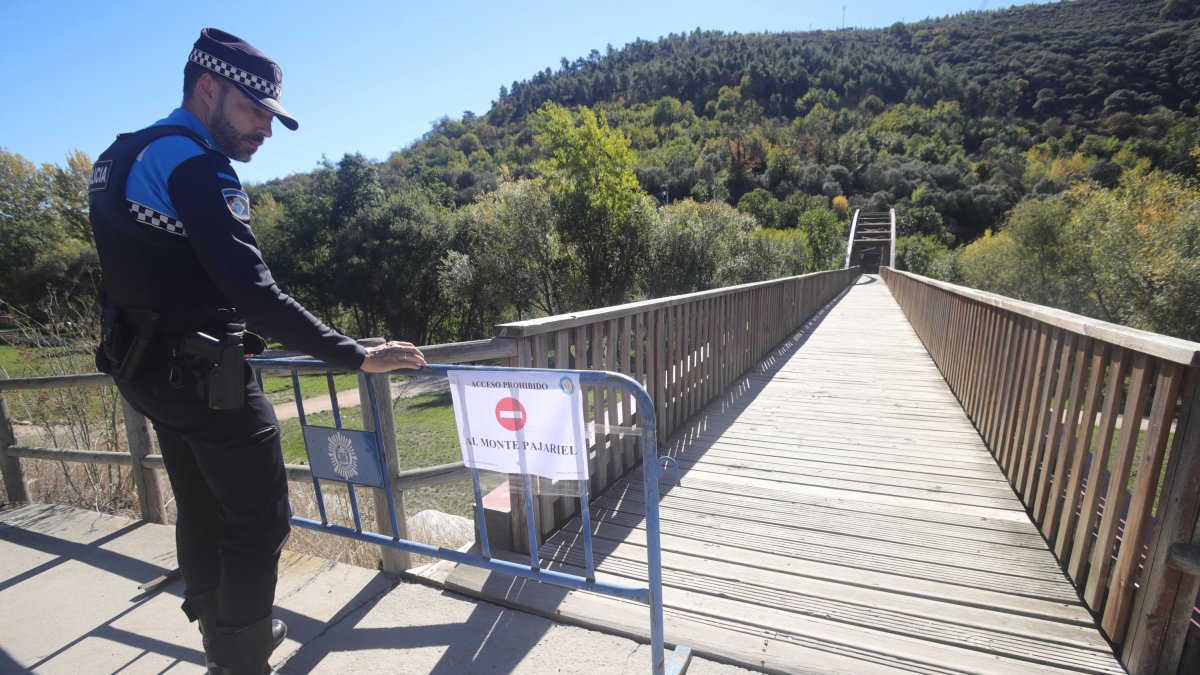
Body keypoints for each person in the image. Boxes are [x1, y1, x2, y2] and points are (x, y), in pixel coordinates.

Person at [87, 28, 425, 674]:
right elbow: (256, 293)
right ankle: (240, 658)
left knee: (202, 508)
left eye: (271, 117)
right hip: (208, 382)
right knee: (259, 521)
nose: (264, 131)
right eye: (253, 110)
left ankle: (223, 636)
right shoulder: (195, 164)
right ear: (207, 88)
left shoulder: (118, 157)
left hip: (145, 374)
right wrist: (356, 354)